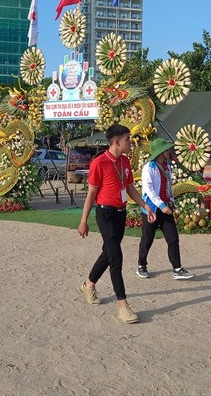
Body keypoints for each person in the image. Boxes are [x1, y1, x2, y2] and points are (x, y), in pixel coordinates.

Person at [77, 124, 156, 324]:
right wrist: (83, 220)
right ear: (117, 141)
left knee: (109, 253)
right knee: (116, 258)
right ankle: (123, 306)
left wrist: (145, 206)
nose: (131, 142)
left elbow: (130, 188)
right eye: (128, 139)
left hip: (121, 214)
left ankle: (88, 284)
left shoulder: (125, 162)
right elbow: (91, 195)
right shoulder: (99, 163)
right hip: (105, 214)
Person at [136, 138, 195, 280]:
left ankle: (177, 268)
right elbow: (149, 190)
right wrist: (160, 205)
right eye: (167, 150)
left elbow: (168, 187)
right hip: (151, 208)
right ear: (160, 152)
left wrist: (171, 202)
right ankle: (141, 265)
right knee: (147, 238)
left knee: (173, 238)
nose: (169, 152)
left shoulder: (167, 167)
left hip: (166, 207)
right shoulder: (149, 167)